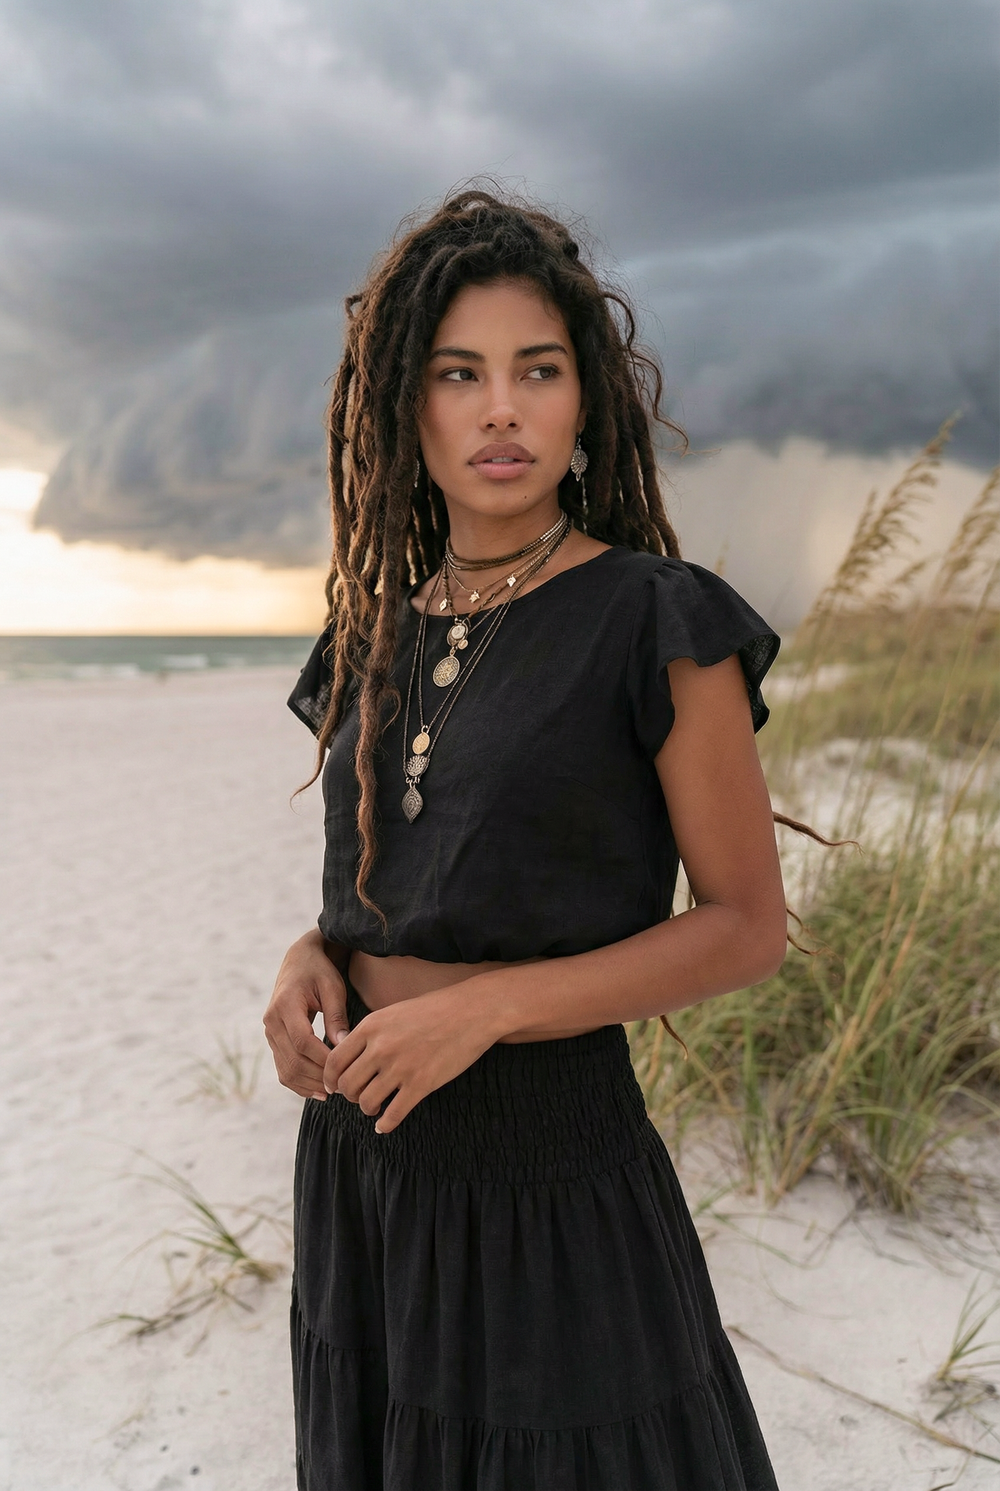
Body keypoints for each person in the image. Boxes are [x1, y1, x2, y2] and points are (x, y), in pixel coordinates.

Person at [264, 188, 785, 1490]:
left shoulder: (656, 618)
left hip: (548, 1165)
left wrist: (483, 1014)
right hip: (364, 1160)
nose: (501, 409)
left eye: (536, 370)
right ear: (410, 404)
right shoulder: (371, 635)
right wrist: (306, 958)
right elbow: (389, 895)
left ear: (584, 400)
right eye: (460, 373)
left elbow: (745, 926)